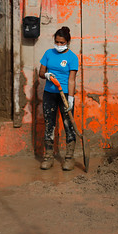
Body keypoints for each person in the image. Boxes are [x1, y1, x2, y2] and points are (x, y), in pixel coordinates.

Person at [38, 27, 79, 171]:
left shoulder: (72, 57)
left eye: (62, 42)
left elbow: (72, 80)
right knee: (49, 124)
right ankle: (48, 157)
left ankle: (69, 158)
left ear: (68, 42)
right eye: (57, 42)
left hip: (65, 95)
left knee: (68, 125)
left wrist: (71, 99)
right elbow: (41, 72)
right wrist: (47, 75)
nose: (59, 45)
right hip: (49, 94)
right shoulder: (48, 53)